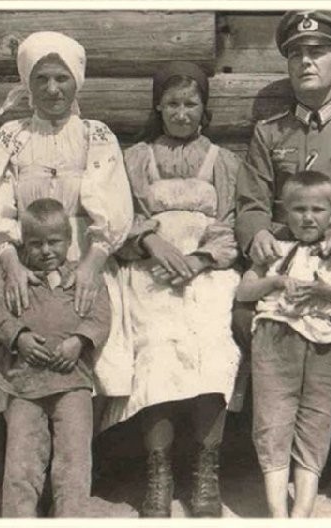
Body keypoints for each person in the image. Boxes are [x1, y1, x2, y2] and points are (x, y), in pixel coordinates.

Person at [0, 31, 133, 489]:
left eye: (62, 78)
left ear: (77, 82)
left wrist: (93, 262)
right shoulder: (8, 139)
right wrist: (10, 260)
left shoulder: (96, 136)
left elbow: (111, 206)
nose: (53, 89)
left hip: (86, 253)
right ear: (27, 84)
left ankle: (76, 468)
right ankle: (16, 466)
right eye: (42, 79)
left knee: (102, 337)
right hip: (19, 253)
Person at [234, 9, 331, 476]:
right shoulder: (270, 132)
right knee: (246, 322)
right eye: (296, 54)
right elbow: (251, 200)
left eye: (318, 52)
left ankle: (328, 444)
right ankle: (274, 450)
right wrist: (258, 234)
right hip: (282, 264)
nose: (306, 61)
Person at [99, 61, 241, 518]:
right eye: (173, 104)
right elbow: (117, 220)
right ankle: (158, 473)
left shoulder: (223, 162)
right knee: (157, 351)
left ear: (204, 108)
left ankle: (205, 470)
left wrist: (200, 259)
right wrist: (150, 242)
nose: (182, 113)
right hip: (149, 272)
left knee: (213, 350)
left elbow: (231, 224)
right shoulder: (135, 159)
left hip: (208, 272)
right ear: (158, 107)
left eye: (191, 104)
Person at [236, 171, 331, 517]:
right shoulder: (272, 249)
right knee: (272, 419)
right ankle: (278, 512)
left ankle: (302, 510)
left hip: (321, 343)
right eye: (299, 209)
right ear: (284, 211)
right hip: (274, 339)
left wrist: (324, 290)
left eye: (318, 210)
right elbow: (244, 291)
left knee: (316, 419)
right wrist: (275, 281)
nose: (308, 217)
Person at [0, 199, 111, 517]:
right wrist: (19, 337)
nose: (46, 251)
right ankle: (19, 515)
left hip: (72, 382)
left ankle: (71, 515)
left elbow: (101, 315)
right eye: (36, 244)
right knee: (22, 458)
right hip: (25, 383)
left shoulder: (82, 277)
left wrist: (79, 340)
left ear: (69, 240)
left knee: (74, 457)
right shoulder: (14, 278)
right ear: (24, 242)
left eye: (54, 242)